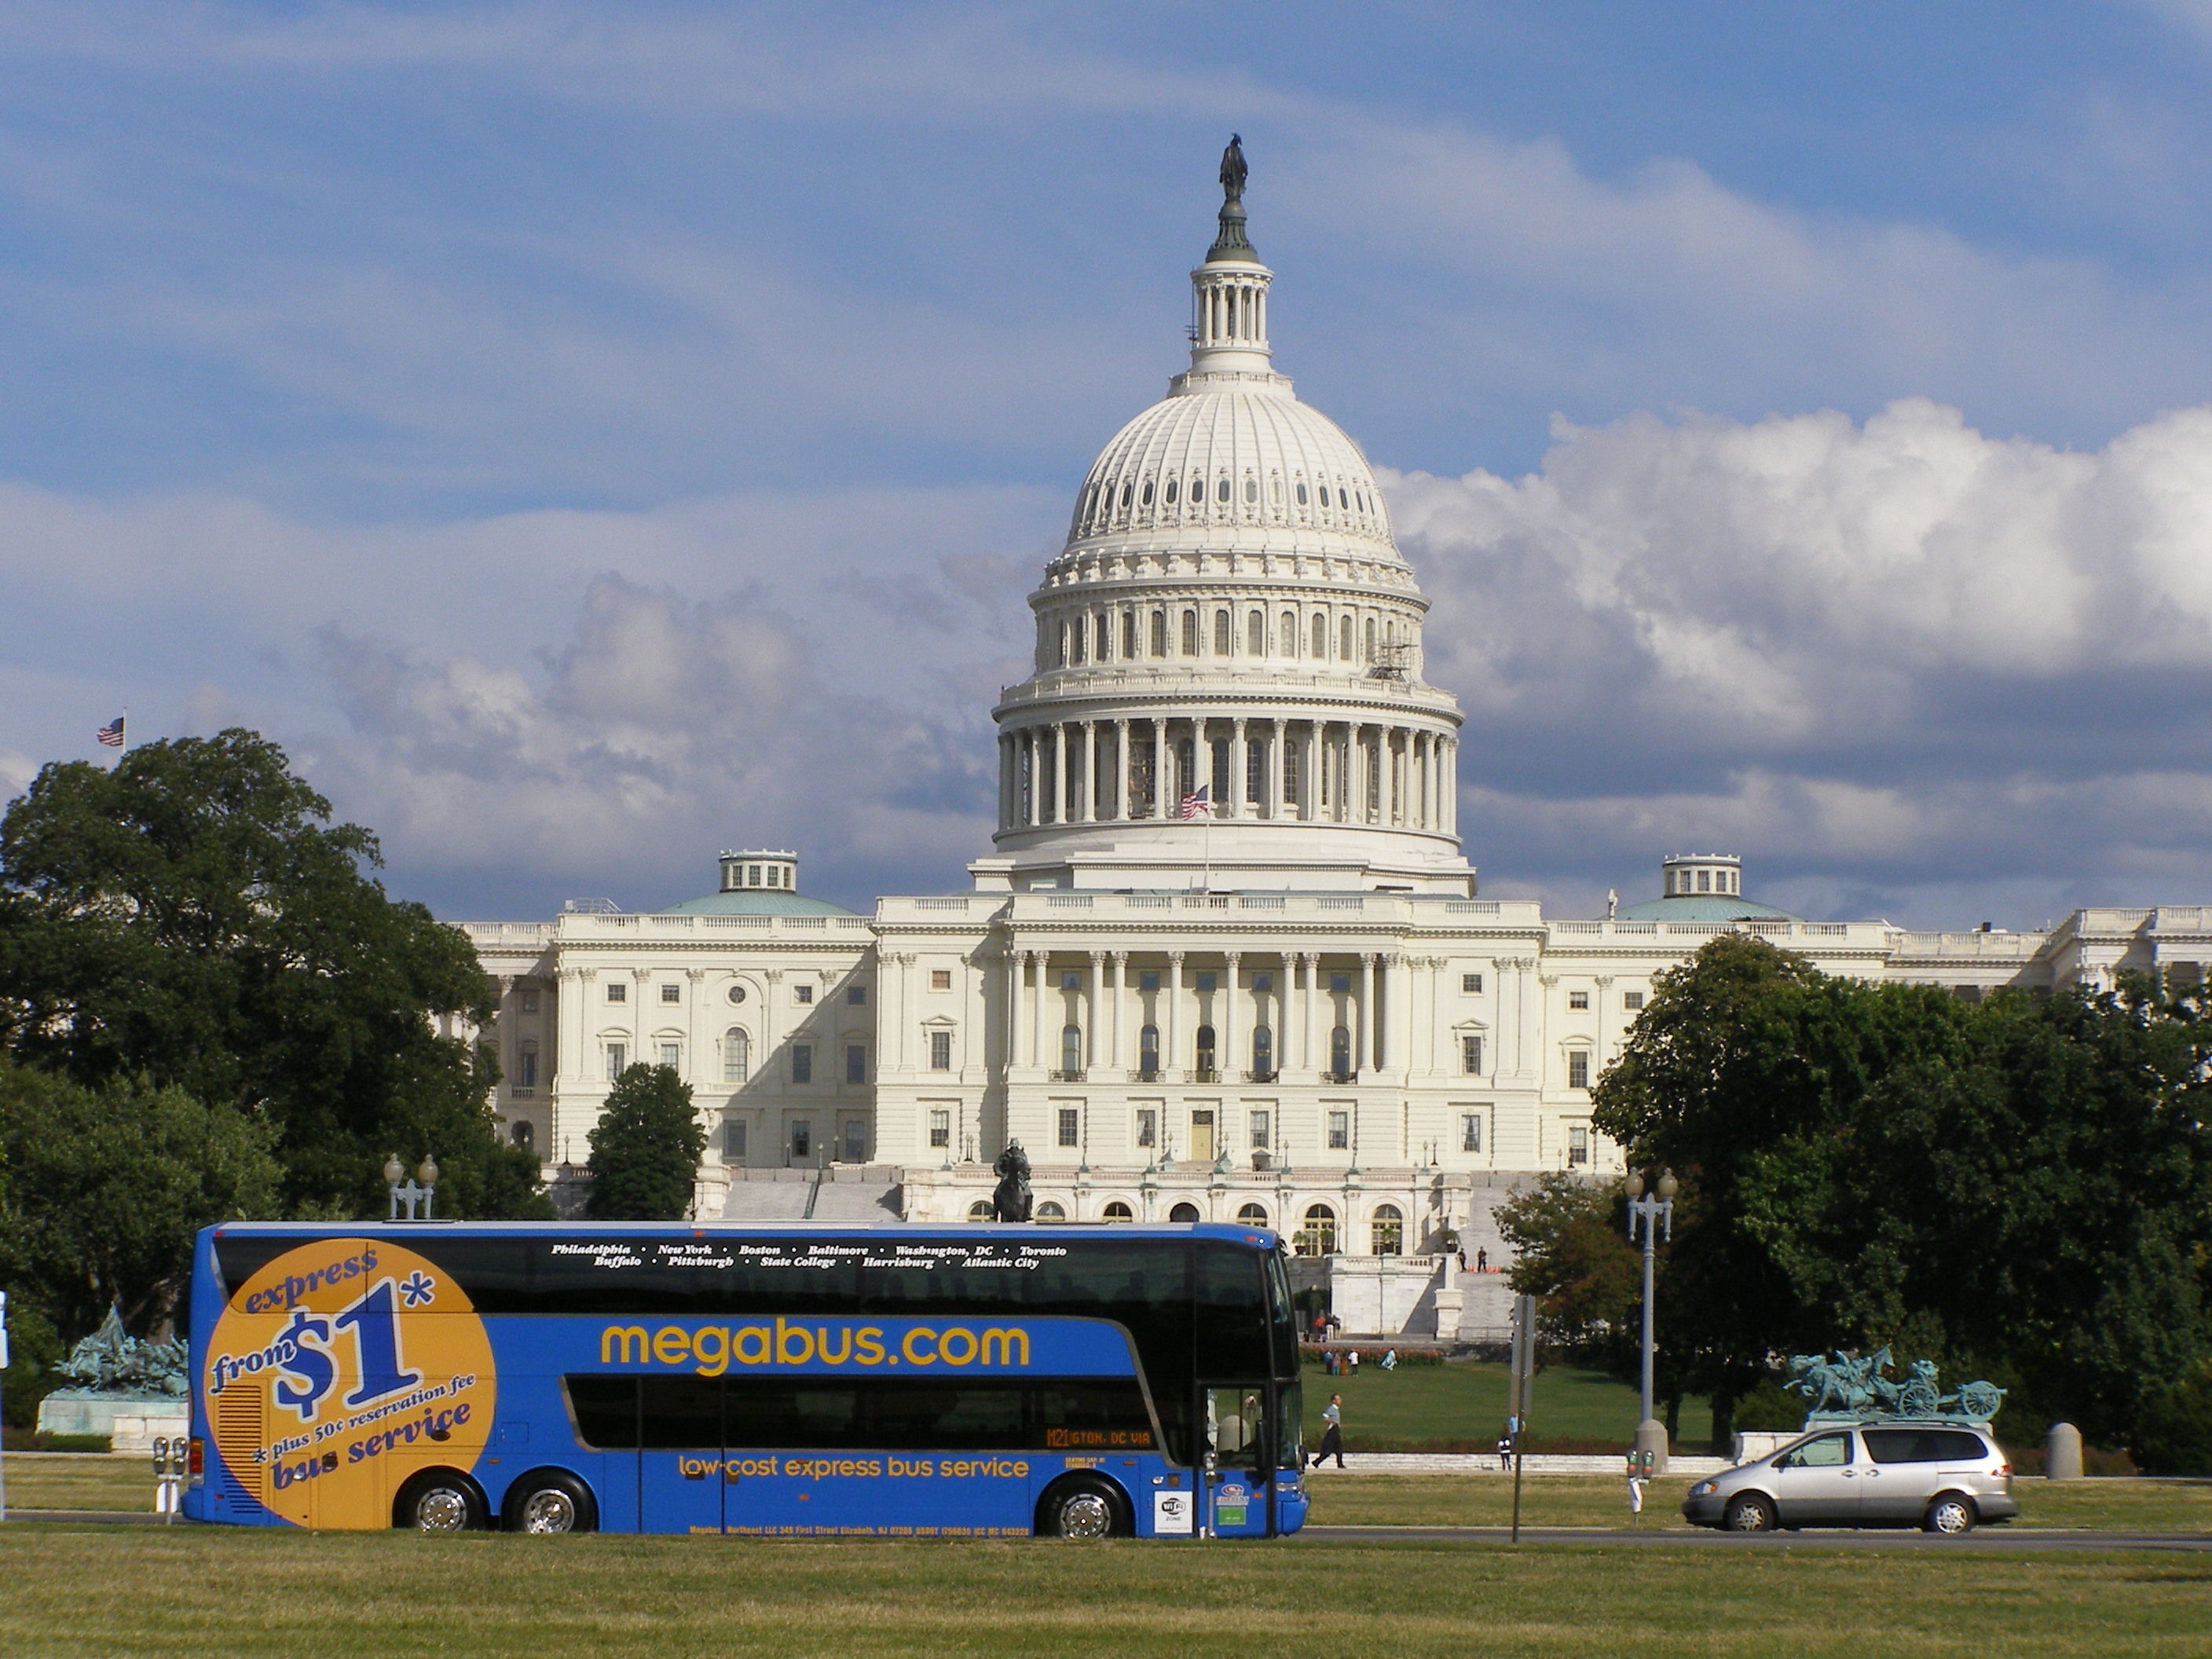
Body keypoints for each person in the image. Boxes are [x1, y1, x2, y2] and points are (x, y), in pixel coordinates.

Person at [1311, 1393, 1345, 1469]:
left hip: (1336, 1430)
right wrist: (1332, 1422)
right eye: (1338, 1399)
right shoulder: (1331, 1409)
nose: (1340, 1401)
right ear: (1334, 1401)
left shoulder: (1336, 1409)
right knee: (1328, 1450)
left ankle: (1340, 1464)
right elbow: (1324, 1417)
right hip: (1333, 1430)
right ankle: (1316, 1462)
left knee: (1339, 1448)